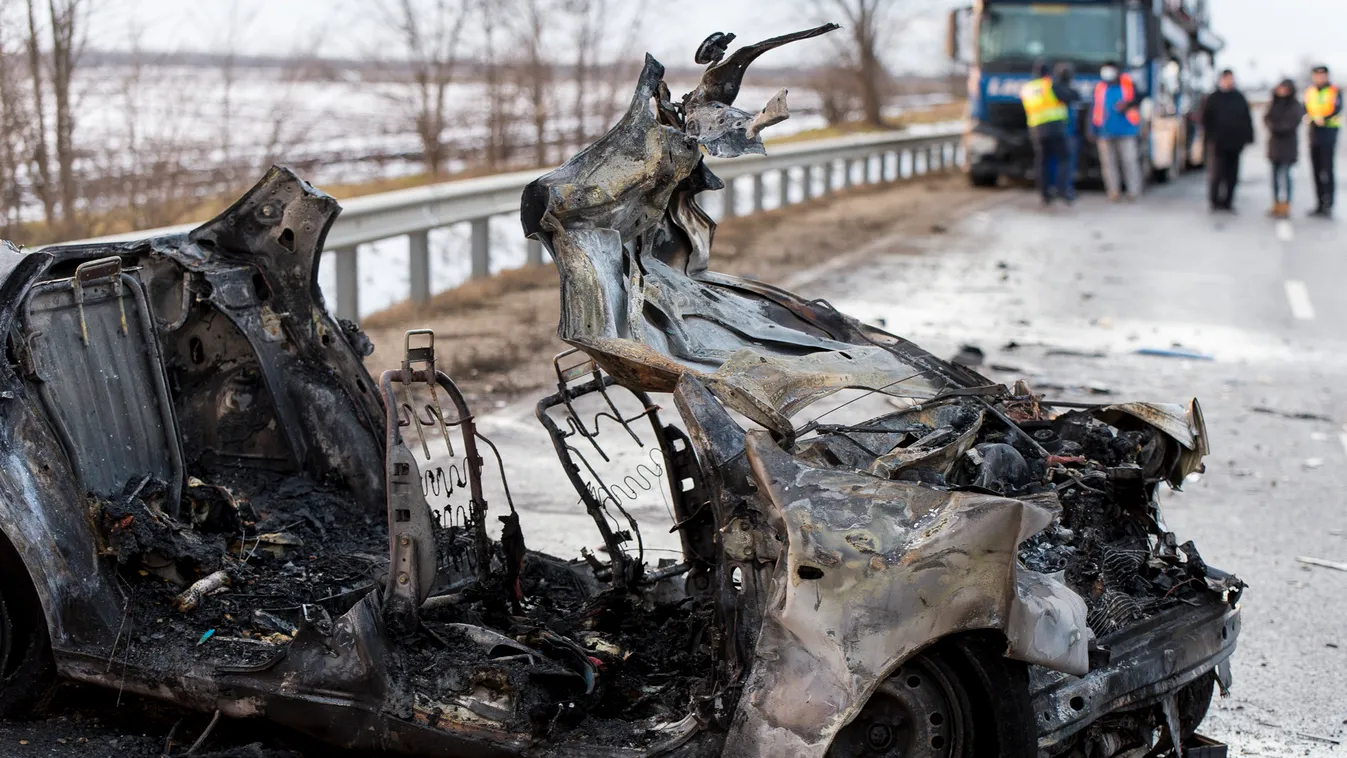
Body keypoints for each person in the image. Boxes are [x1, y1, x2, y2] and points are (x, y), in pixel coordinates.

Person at [1201, 69, 1254, 212]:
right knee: (1217, 173)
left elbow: (1246, 119)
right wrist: (1210, 137)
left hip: (1235, 143)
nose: (1228, 81)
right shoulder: (1213, 98)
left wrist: (1248, 138)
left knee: (1232, 175)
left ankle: (1228, 202)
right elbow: (1206, 120)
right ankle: (1214, 201)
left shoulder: (1239, 97)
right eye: (1226, 79)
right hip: (1218, 143)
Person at [1020, 60, 1072, 205]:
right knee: (1063, 158)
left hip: (1036, 129)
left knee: (1042, 161)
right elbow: (1070, 96)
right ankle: (1062, 190)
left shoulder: (1027, 88)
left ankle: (1044, 194)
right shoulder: (1049, 85)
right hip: (1055, 127)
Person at [1092, 61, 1144, 201]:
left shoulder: (1128, 84)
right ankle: (1113, 191)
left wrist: (1127, 105)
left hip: (1126, 130)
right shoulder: (1100, 87)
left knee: (1129, 161)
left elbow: (1139, 98)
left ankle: (1133, 191)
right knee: (1109, 164)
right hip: (1105, 131)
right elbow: (1094, 108)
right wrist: (1092, 129)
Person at [1264, 79, 1304, 219]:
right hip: (1275, 145)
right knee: (1274, 177)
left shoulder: (1295, 105)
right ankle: (1276, 203)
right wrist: (1273, 126)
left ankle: (1286, 204)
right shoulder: (1274, 103)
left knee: (1286, 176)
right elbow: (1267, 119)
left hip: (1288, 145)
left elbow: (1292, 122)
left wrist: (1278, 128)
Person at [1304, 65, 1341, 217]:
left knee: (1327, 169)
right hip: (1314, 133)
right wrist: (1309, 117)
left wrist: (1323, 119)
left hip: (1328, 132)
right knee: (1316, 170)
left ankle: (1329, 203)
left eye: (1322, 75)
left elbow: (1337, 108)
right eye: (1317, 75)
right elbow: (1305, 108)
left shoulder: (1333, 90)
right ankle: (1319, 203)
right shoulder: (1310, 91)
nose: (1319, 78)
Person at [1052, 62, 1083, 202]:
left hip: (1059, 131)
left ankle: (1059, 188)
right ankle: (1064, 189)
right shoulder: (1064, 91)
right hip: (1065, 132)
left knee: (1058, 162)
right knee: (1066, 162)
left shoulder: (1053, 89)